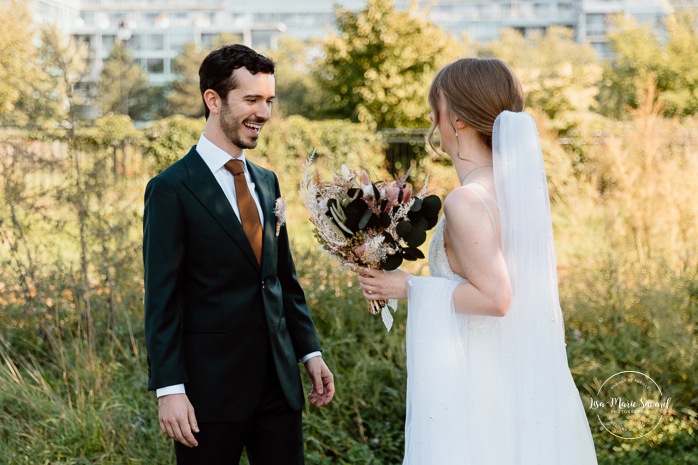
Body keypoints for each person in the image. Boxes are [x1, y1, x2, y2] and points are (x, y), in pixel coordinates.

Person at [355, 58, 598, 464]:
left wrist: (406, 286)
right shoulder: (514, 191)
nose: (433, 119)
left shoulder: (467, 200)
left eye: (438, 108)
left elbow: (496, 298)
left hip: (479, 387)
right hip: (514, 377)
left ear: (458, 121)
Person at [143, 44, 335, 465]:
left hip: (279, 388)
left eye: (269, 100)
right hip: (209, 395)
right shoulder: (171, 188)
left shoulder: (267, 182)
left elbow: (282, 278)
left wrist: (310, 352)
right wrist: (170, 389)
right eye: (251, 100)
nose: (264, 113)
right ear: (213, 100)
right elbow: (162, 298)